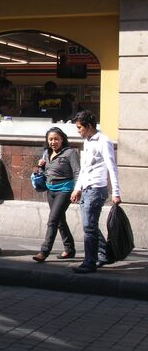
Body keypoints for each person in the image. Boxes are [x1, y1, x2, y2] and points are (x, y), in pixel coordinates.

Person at [70, 110, 121, 274]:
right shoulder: (88, 141)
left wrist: (116, 192)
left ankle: (89, 262)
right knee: (90, 226)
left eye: (79, 128)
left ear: (89, 126)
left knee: (88, 227)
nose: (78, 131)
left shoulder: (103, 141)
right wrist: (78, 188)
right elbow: (85, 168)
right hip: (86, 188)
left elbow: (112, 167)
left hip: (97, 189)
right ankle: (104, 255)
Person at [32, 127, 80, 263]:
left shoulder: (70, 153)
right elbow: (45, 171)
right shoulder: (46, 153)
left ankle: (44, 251)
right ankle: (69, 249)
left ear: (62, 139)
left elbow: (77, 171)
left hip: (64, 190)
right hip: (50, 190)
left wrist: (77, 189)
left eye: (56, 139)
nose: (53, 142)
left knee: (52, 220)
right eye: (51, 139)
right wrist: (40, 166)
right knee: (59, 220)